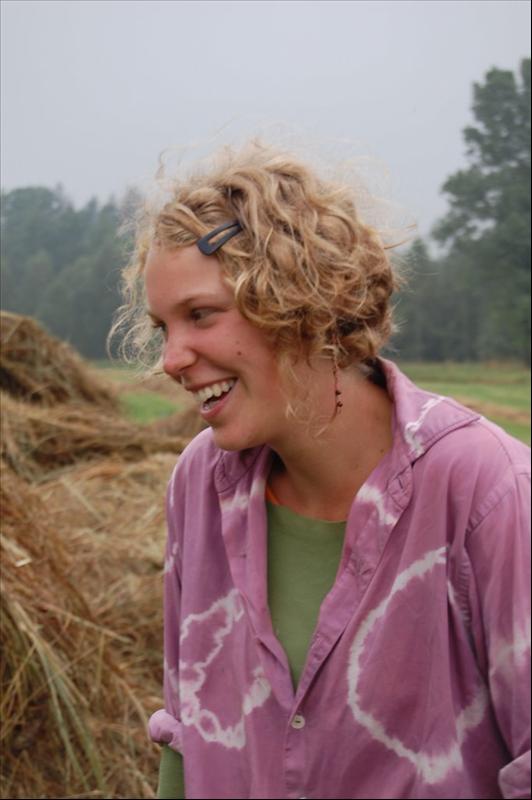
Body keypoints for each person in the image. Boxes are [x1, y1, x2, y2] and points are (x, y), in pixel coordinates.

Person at [111, 140, 530, 799]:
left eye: (200, 316)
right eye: (164, 327)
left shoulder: (488, 492)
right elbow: (186, 733)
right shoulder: (201, 483)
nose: (171, 359)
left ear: (300, 303)